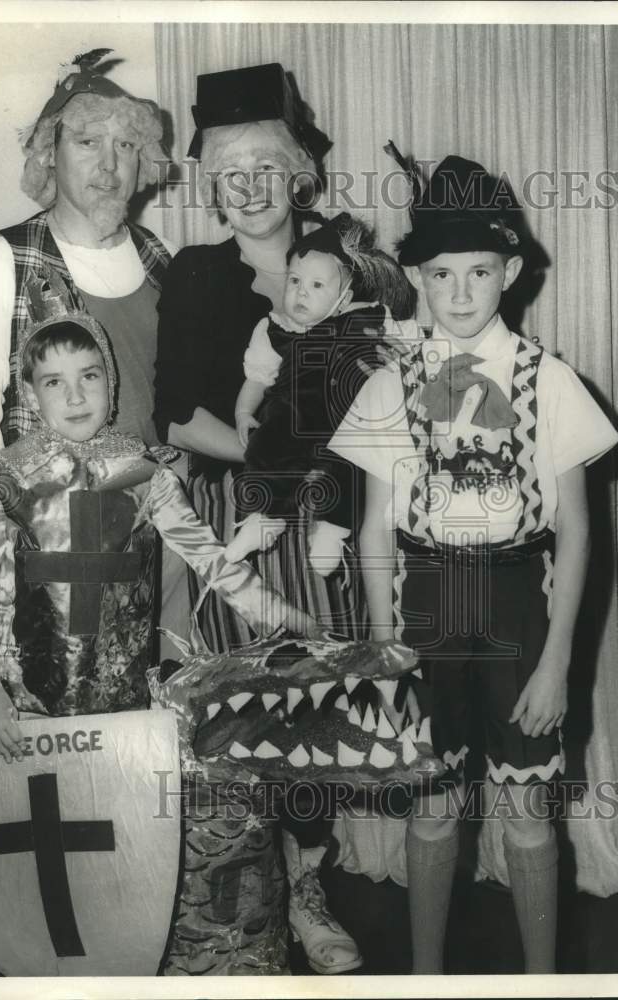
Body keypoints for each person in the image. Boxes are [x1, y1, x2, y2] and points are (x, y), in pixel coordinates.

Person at [331, 155, 618, 973]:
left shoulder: (551, 380)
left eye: (480, 273)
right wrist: (387, 653)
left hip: (517, 608)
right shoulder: (389, 385)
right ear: (418, 278)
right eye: (442, 274)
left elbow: (577, 528)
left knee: (527, 812)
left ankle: (541, 981)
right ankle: (426, 977)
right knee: (429, 812)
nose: (460, 294)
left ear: (511, 273)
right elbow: (376, 529)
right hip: (425, 604)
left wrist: (558, 658)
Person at [154, 63, 364, 975]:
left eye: (264, 171)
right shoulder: (199, 273)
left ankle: (309, 887)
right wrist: (278, 458)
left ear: (298, 176)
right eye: (228, 175)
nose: (246, 191)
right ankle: (251, 899)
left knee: (313, 704)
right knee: (241, 714)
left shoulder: (345, 264)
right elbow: (174, 413)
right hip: (231, 518)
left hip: (319, 517)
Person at [0, 272, 304, 757]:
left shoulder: (143, 473)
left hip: (127, 700)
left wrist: (270, 608)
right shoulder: (7, 477)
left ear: (111, 383)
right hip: (31, 703)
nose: (75, 397)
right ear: (32, 397)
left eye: (89, 375)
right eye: (55, 382)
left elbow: (205, 553)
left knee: (123, 819)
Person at [0, 48, 190, 657]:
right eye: (87, 143)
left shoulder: (162, 259)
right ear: (50, 154)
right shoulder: (3, 263)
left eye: (125, 146)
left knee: (166, 729)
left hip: (162, 547)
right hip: (57, 557)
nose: (109, 166)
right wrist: (2, 559)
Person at [226, 213, 411, 574]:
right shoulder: (274, 328)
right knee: (268, 445)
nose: (300, 292)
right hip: (294, 414)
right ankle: (263, 519)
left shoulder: (366, 318)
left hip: (348, 418)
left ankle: (334, 528)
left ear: (344, 296)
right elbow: (257, 378)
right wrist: (243, 413)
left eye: (316, 286)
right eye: (294, 280)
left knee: (357, 462)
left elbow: (406, 348)